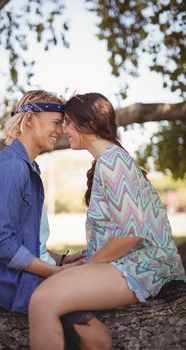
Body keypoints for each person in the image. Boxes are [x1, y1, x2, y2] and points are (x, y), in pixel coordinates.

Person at [29, 92, 186, 350]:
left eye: (68, 121)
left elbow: (131, 233)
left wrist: (91, 263)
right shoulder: (109, 160)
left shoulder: (112, 162)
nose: (64, 129)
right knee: (50, 288)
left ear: (87, 123)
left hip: (143, 268)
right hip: (132, 263)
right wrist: (87, 257)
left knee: (42, 300)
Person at [0, 89, 86, 314]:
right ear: (30, 118)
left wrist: (60, 260)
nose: (60, 131)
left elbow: (25, 239)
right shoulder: (12, 167)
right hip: (9, 285)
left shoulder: (26, 166)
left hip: (21, 277)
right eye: (56, 123)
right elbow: (1, 243)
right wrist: (54, 273)